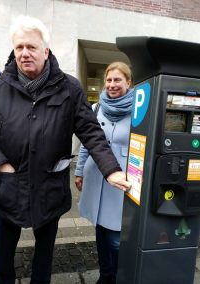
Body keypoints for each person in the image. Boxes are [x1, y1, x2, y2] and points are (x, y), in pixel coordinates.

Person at [0, 16, 131, 284]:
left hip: (50, 191)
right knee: (2, 262)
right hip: (8, 190)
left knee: (43, 262)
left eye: (32, 47)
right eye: (19, 47)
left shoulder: (69, 88)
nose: (25, 53)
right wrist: (0, 164)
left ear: (45, 51)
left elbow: (90, 131)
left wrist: (111, 170)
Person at [75, 62, 134, 284]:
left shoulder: (140, 111)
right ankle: (105, 275)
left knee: (117, 237)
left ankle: (121, 276)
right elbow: (85, 144)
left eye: (117, 80)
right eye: (108, 80)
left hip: (120, 181)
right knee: (100, 231)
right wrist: (79, 171)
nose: (112, 85)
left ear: (128, 82)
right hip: (96, 177)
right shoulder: (96, 108)